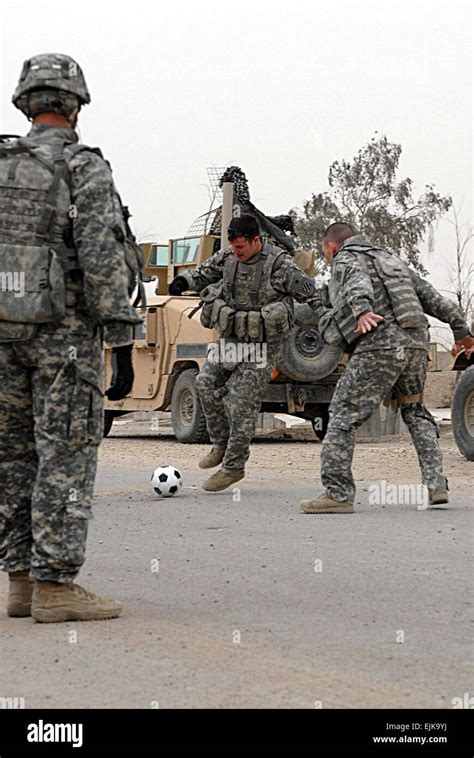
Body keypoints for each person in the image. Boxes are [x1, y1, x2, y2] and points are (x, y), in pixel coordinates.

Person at [0, 53, 142, 621]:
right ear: (75, 104)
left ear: (26, 103)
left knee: (11, 458)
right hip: (63, 337)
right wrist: (122, 338)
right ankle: (56, 586)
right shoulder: (83, 166)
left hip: (3, 335)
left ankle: (19, 582)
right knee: (66, 455)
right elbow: (104, 257)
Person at [300, 222, 474, 514]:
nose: (329, 260)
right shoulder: (391, 260)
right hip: (416, 344)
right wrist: (460, 329)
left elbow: (356, 282)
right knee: (415, 410)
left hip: (380, 345)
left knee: (343, 412)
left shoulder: (346, 257)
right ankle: (436, 485)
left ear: (332, 247)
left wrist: (362, 309)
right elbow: (429, 296)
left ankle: (337, 494)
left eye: (326, 254)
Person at [169, 213, 315, 491]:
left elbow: (310, 294)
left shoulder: (279, 265)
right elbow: (203, 274)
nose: (236, 252)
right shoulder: (228, 257)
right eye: (233, 247)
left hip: (263, 345)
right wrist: (184, 281)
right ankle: (221, 445)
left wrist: (333, 325)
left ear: (256, 240)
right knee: (205, 383)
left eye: (241, 247)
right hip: (233, 338)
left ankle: (234, 467)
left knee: (240, 401)